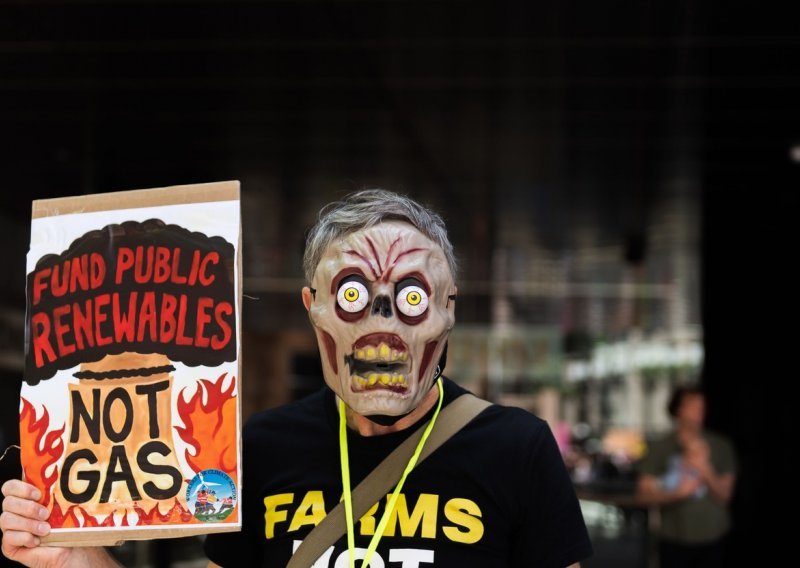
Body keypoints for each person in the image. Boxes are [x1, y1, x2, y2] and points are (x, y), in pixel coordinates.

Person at [1, 189, 592, 567]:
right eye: (353, 295)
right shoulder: (260, 447)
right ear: (313, 307)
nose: (381, 322)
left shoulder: (518, 447)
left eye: (411, 296)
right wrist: (74, 557)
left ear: (447, 310)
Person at [636, 385, 736, 568]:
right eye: (694, 405)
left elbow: (725, 495)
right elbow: (643, 495)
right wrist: (677, 494)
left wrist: (704, 468)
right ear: (679, 409)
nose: (700, 410)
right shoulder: (661, 446)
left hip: (714, 537)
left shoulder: (720, 445)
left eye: (702, 405)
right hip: (674, 539)